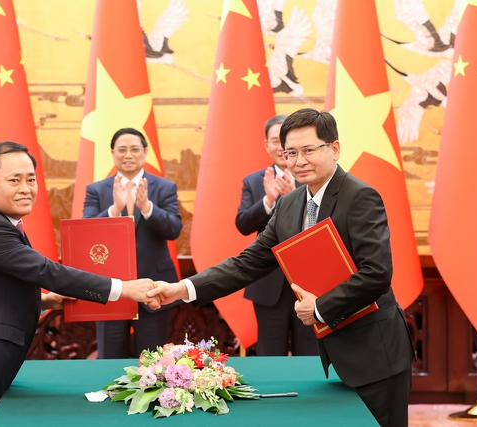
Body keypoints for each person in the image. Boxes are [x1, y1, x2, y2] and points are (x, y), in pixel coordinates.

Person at [148, 108, 414, 427]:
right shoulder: (290, 203)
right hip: (339, 355)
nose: (298, 161)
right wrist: (183, 288)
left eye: (308, 150)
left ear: (334, 149)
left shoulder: (360, 197)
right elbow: (249, 262)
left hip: (375, 353)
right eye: (290, 152)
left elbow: (377, 274)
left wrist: (320, 308)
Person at [0, 141, 160, 427]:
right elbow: (46, 271)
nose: (26, 188)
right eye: (14, 180)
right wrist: (124, 289)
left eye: (31, 179)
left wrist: (42, 301)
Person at [83, 128, 182, 359]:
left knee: (152, 361)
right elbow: (86, 233)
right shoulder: (96, 190)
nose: (128, 155)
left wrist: (148, 208)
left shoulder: (164, 187)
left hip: (154, 287)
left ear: (145, 152)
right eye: (122, 150)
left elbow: (174, 229)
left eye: (135, 149)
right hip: (111, 287)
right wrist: (113, 210)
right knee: (109, 358)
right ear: (112, 153)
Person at [235, 114, 318, 356]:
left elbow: (324, 227)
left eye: (287, 141)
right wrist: (268, 201)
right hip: (268, 281)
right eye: (276, 141)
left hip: (309, 281)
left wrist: (296, 197)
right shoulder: (254, 181)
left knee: (310, 352)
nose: (282, 148)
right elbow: (242, 224)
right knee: (270, 352)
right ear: (267, 145)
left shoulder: (313, 178)